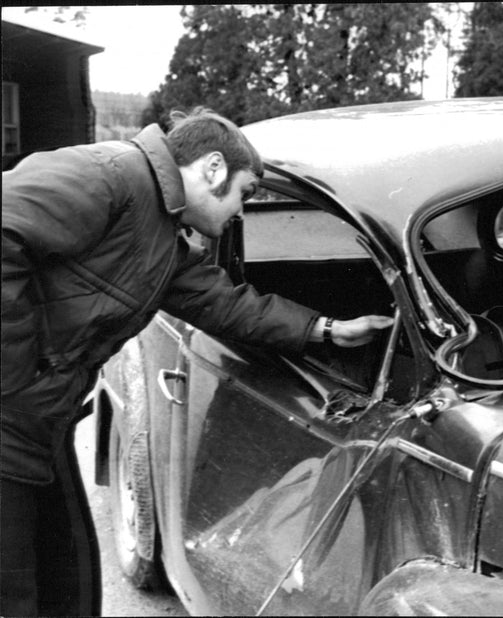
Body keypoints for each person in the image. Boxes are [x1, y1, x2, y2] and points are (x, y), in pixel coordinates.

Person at [0, 107, 393, 616]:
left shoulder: (164, 238)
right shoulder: (109, 174)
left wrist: (328, 330)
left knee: (60, 580)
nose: (241, 213)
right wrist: (15, 378)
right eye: (244, 194)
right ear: (212, 168)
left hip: (34, 422)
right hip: (13, 417)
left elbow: (224, 304)